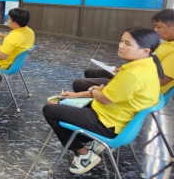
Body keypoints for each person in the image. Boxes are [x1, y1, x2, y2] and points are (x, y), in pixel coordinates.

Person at [43, 27, 162, 175]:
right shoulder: (148, 65)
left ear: (145, 51)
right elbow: (107, 93)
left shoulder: (133, 74)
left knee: (50, 111)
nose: (121, 45)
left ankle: (84, 155)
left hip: (108, 123)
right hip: (118, 116)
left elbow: (105, 99)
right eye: (121, 41)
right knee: (69, 104)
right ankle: (90, 141)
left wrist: (93, 91)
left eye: (128, 43)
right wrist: (77, 95)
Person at [72, 9, 174, 95]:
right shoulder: (167, 44)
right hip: (134, 76)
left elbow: (161, 80)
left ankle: (90, 106)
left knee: (79, 83)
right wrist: (122, 70)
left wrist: (125, 75)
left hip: (138, 87)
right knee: (90, 72)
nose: (155, 30)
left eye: (159, 27)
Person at [0, 8, 35, 91]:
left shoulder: (11, 38)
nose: (8, 20)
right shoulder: (30, 31)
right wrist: (4, 37)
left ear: (15, 23)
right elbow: (18, 43)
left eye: (9, 18)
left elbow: (1, 56)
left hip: (5, 64)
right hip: (17, 63)